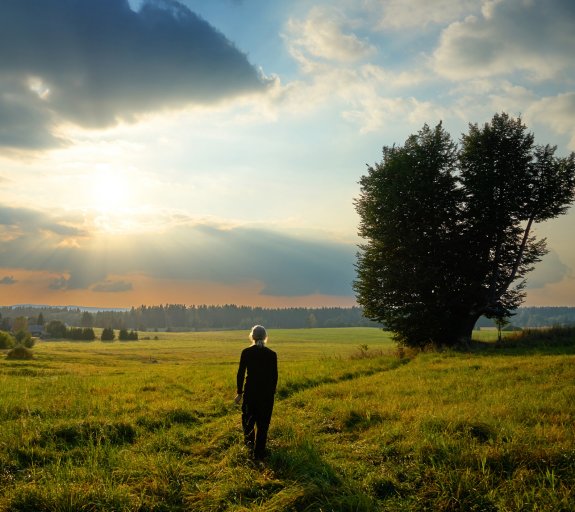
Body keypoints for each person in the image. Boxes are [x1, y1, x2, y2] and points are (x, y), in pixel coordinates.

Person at [235, 325, 278, 460]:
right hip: (266, 396)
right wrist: (271, 394)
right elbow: (274, 377)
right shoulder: (272, 354)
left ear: (252, 337)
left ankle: (249, 449)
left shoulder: (246, 352)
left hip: (250, 394)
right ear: (265, 337)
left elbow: (240, 374)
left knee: (248, 422)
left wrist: (239, 392)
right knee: (263, 425)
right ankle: (259, 453)